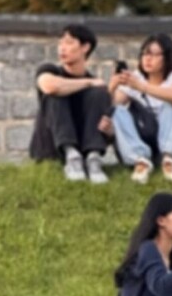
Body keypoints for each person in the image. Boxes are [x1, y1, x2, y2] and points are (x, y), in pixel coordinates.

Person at [108, 34, 172, 184]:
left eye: (154, 54)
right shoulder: (136, 78)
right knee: (118, 111)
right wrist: (112, 86)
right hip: (145, 141)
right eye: (145, 54)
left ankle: (168, 159)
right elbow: (112, 105)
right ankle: (140, 161)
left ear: (167, 57)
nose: (148, 59)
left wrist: (142, 87)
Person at [30, 24, 111, 183]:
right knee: (55, 94)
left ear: (85, 47)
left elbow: (107, 131)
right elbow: (50, 86)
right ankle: (70, 154)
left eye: (68, 43)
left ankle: (93, 158)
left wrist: (110, 131)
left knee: (100, 92)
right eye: (60, 43)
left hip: (84, 149)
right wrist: (88, 82)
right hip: (51, 149)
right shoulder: (49, 70)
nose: (62, 48)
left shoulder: (96, 89)